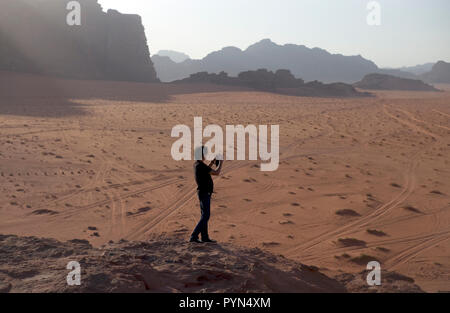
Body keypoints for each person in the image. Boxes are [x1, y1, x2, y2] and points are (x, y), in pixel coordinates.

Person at [189, 146, 223, 243]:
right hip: (204, 193)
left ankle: (204, 237)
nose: (205, 155)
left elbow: (206, 169)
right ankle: (194, 236)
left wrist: (212, 162)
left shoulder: (197, 164)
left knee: (204, 215)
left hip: (203, 192)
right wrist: (221, 163)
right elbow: (216, 172)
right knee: (206, 216)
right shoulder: (201, 166)